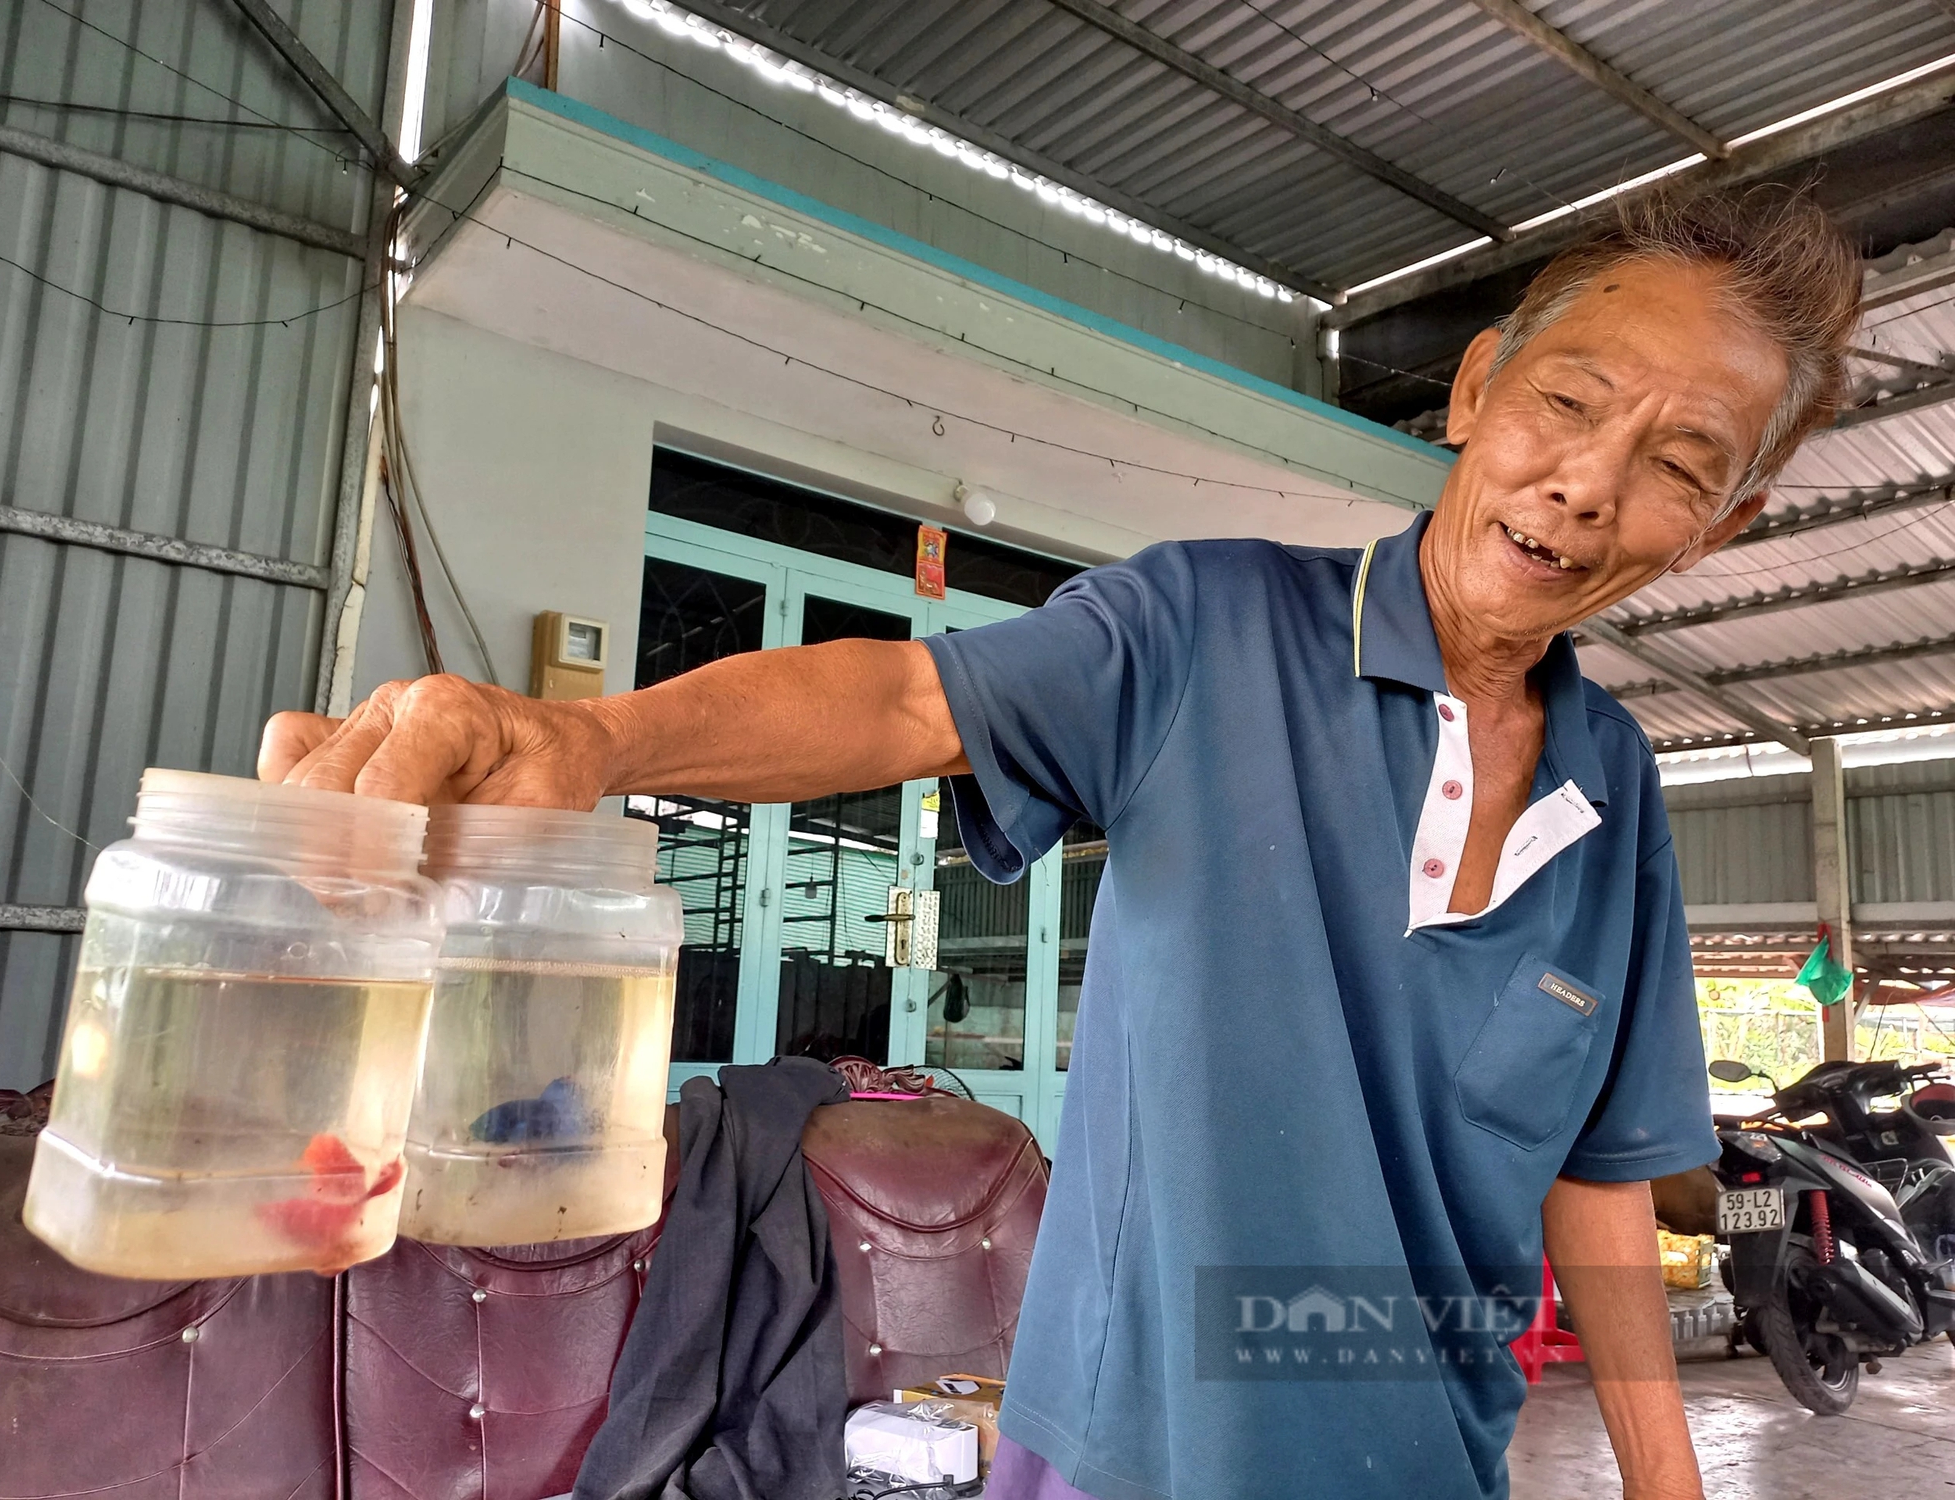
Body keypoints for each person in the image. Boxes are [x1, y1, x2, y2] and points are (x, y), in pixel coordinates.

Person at [261, 188, 1861, 1500]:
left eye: (1675, 469)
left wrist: (1668, 1482)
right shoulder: (1204, 631)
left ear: (1716, 532)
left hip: (1434, 1459)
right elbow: (905, 701)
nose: (1587, 485)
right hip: (1129, 1457)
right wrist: (590, 741)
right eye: (1568, 406)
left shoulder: (1618, 788)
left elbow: (1594, 1177)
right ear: (1475, 390)